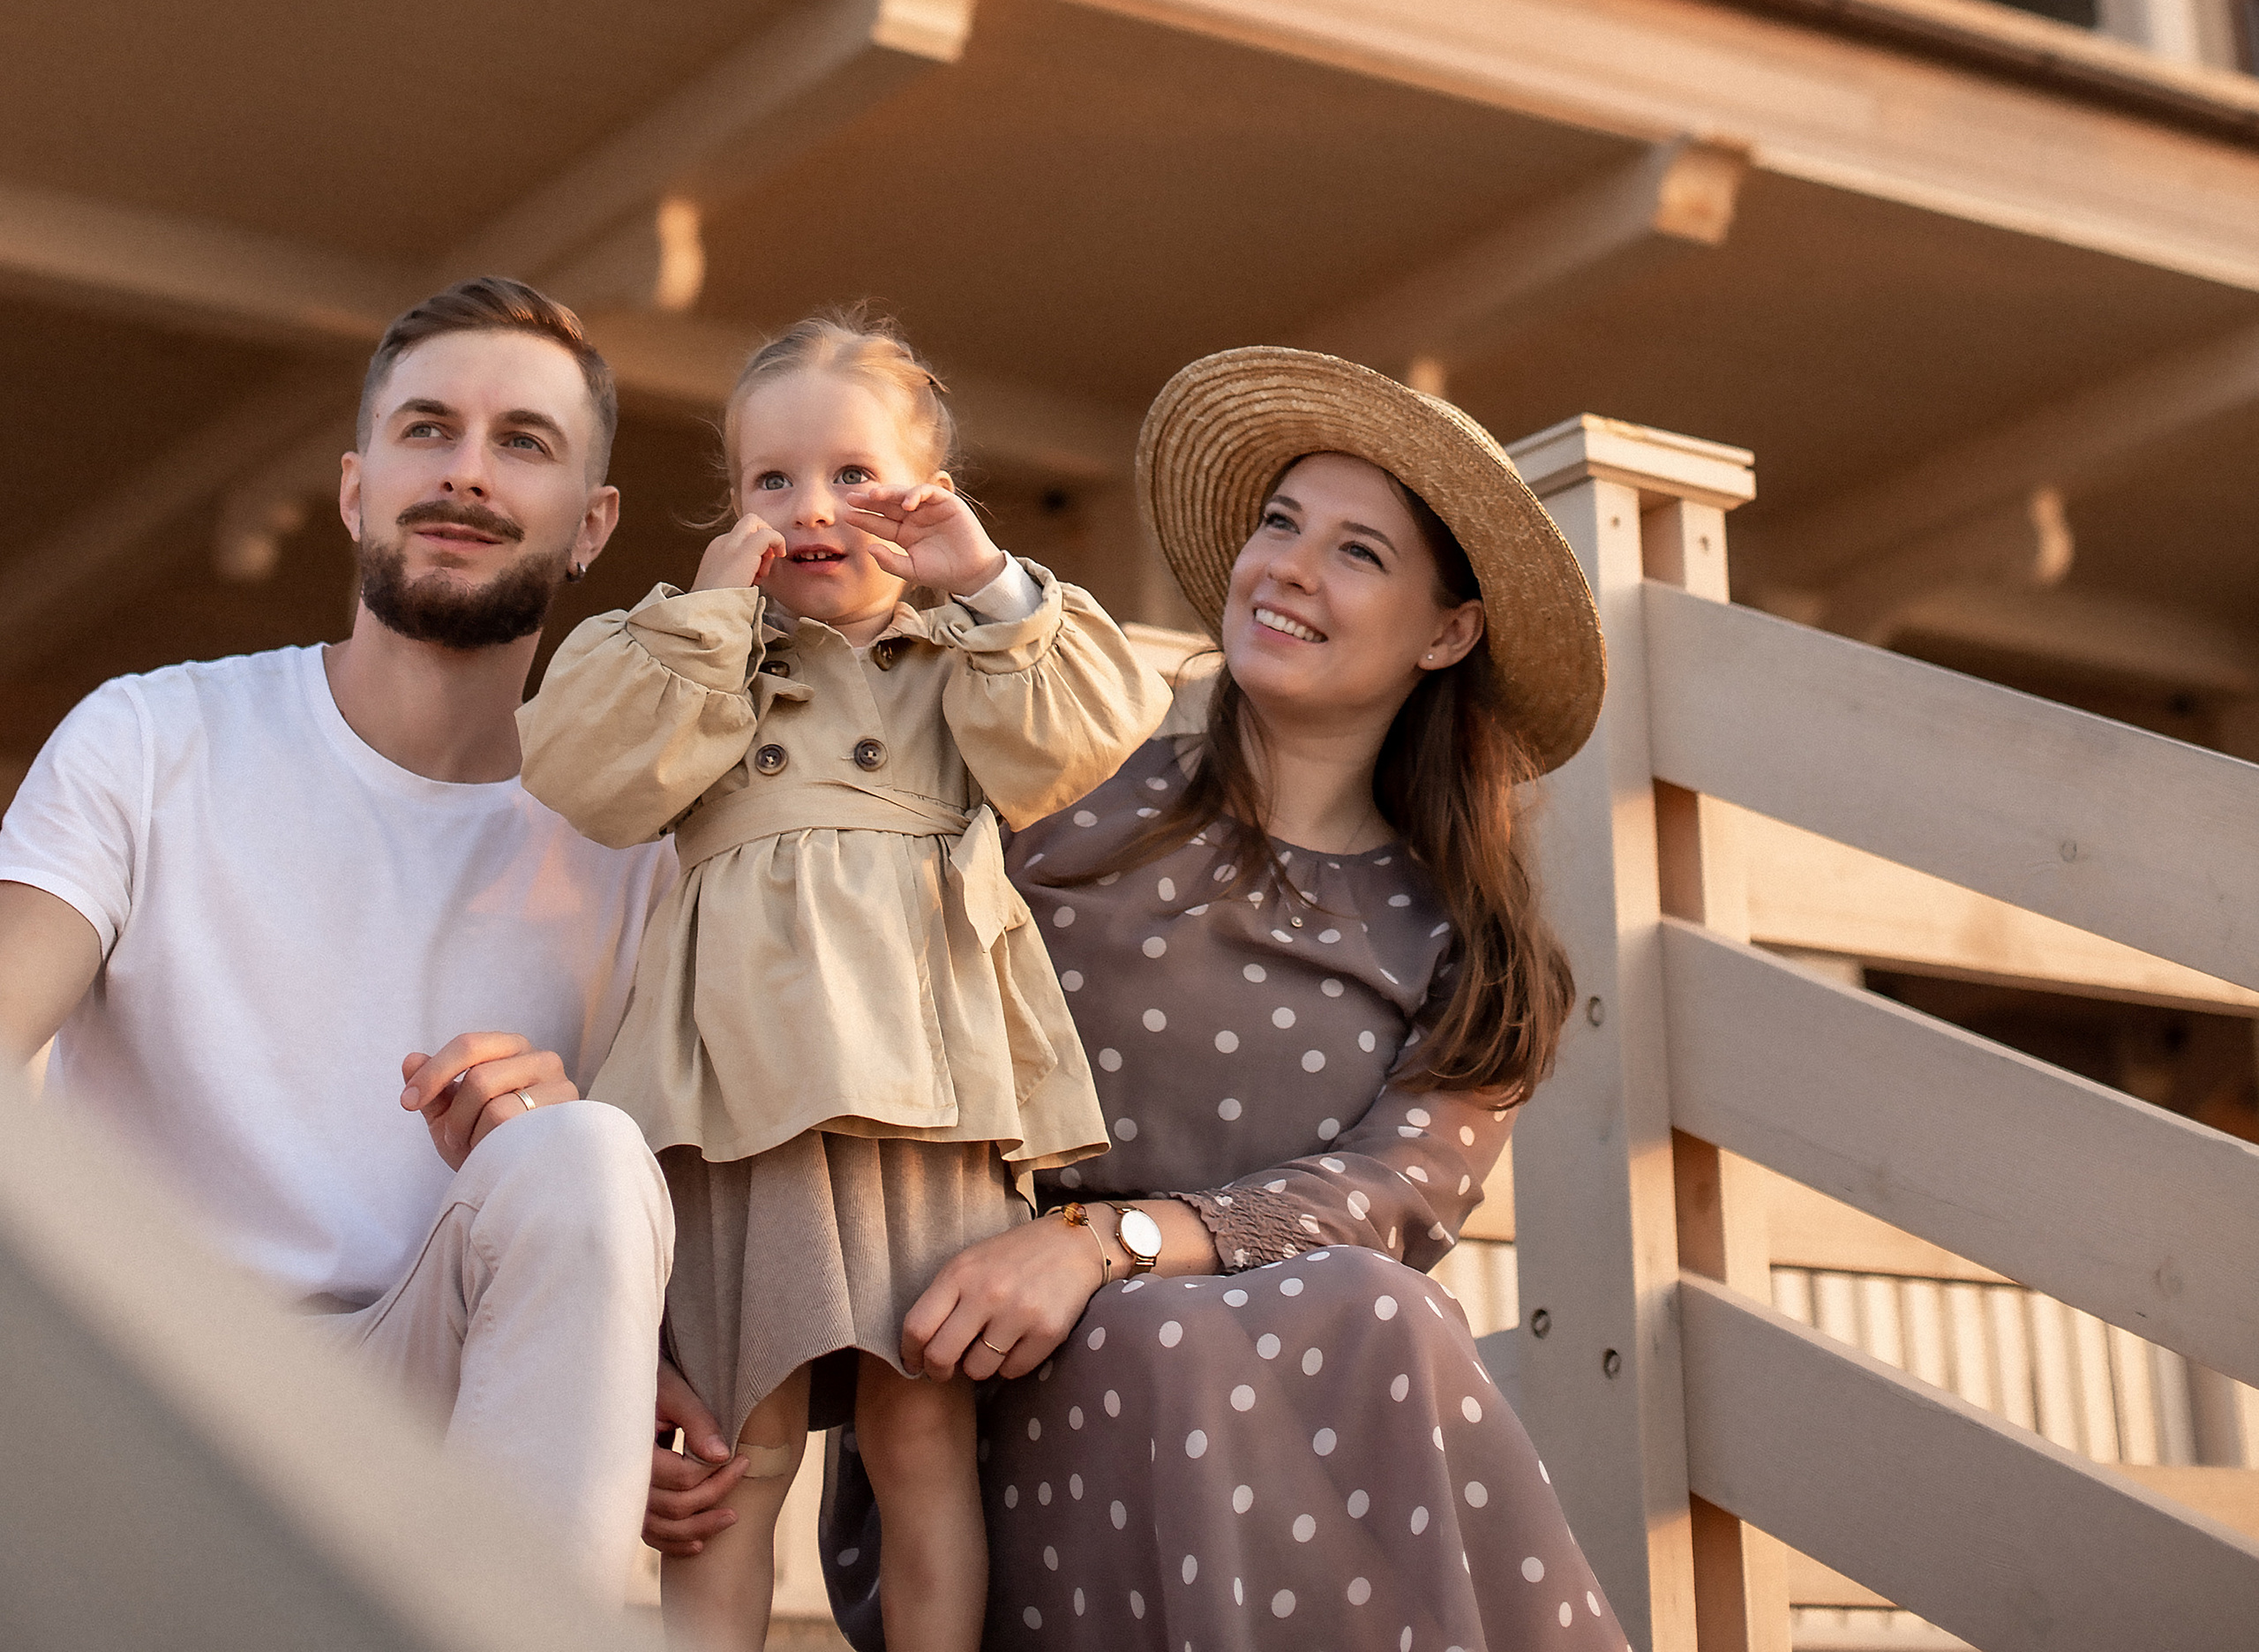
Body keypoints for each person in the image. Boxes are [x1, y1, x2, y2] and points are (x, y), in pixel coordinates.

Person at [657, 342, 1634, 1649]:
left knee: (1373, 1308)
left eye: (1359, 551)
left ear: (1449, 630)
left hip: (1281, 1395)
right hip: (976, 1389)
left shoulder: (1459, 941)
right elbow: (774, 963)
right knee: (1226, 1338)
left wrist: (1102, 1247)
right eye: (1280, 523)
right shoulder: (1053, 783)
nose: (1287, 564)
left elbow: (1390, 1200)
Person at [0, 275, 677, 1599]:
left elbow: (656, 1209)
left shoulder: (639, 840)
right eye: (429, 430)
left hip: (426, 1417)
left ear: (592, 525)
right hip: (148, 1388)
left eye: (522, 444)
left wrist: (675, 1373)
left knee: (583, 1152)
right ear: (359, 487)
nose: (466, 475)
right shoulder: (153, 738)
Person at [519, 310, 1170, 1652]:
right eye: (773, 480)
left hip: (930, 1091)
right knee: (733, 1458)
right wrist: (705, 619)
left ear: (927, 493)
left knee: (921, 1431)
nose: (812, 507)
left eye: (855, 476)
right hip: (740, 1106)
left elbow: (1088, 734)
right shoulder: (699, 657)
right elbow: (584, 776)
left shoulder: (964, 661)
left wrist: (983, 577)